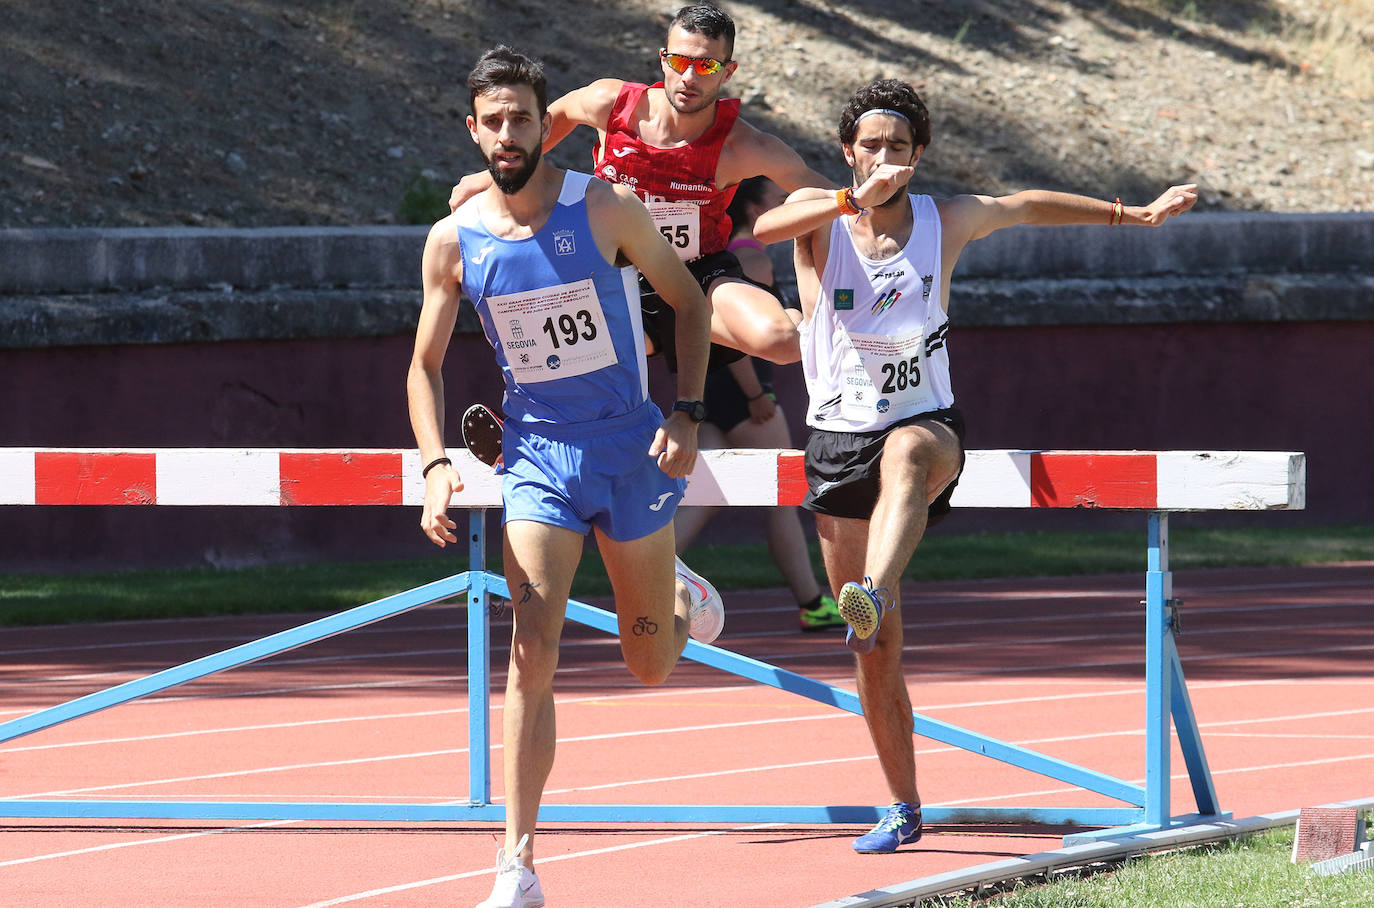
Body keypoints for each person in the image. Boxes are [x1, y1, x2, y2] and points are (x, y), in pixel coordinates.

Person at [754, 78, 1198, 855]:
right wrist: (850, 201)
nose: (885, 158)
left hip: (925, 425)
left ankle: (876, 590)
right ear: (848, 153)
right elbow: (764, 225)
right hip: (834, 439)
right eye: (871, 145)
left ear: (919, 155)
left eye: (899, 146)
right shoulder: (822, 222)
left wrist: (1135, 213)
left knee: (909, 454)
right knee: (874, 652)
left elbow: (1025, 203)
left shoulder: (944, 220)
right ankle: (902, 802)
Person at [407, 47, 726, 908]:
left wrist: (689, 412)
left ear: (544, 125)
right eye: (493, 121)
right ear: (471, 130)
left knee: (651, 664)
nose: (508, 135)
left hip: (629, 449)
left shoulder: (604, 208)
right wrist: (436, 465)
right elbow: (423, 365)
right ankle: (516, 863)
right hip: (538, 456)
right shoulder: (455, 241)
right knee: (530, 649)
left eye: (522, 119)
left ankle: (676, 588)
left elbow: (691, 304)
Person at [449, 4, 837, 372]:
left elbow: (830, 197)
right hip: (609, 272)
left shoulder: (744, 147)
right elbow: (549, 120)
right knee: (542, 334)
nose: (689, 77)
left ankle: (767, 319)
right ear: (663, 59)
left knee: (783, 342)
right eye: (680, 61)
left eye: (706, 66)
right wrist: (489, 177)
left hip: (695, 275)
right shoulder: (612, 104)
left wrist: (878, 205)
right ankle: (523, 416)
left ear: (727, 72)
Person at [673, 176, 845, 632]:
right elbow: (736, 341)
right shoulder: (750, 259)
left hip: (707, 394)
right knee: (784, 498)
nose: (789, 204)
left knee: (705, 492)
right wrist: (755, 394)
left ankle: (649, 564)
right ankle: (812, 601)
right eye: (778, 200)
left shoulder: (724, 257)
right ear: (754, 210)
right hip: (745, 398)